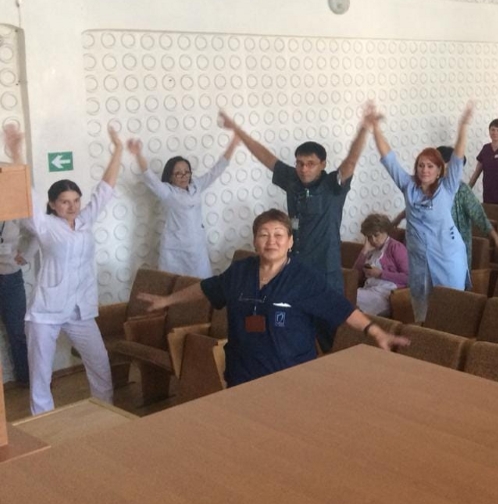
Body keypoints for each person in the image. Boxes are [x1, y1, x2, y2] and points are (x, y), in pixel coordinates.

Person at [138, 209, 408, 387]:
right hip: (242, 374)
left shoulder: (303, 277)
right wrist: (166, 301)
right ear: (255, 241)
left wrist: (376, 332)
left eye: (279, 235)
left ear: (290, 242)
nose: (271, 241)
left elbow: (341, 309)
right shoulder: (240, 271)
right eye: (264, 235)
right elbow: (207, 288)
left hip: (291, 375)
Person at [23, 125, 123, 414]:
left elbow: (105, 188)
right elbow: (26, 194)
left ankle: (106, 412)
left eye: (76, 200)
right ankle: (43, 423)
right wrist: (17, 153)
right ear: (53, 205)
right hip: (46, 311)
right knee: (41, 374)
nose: (72, 206)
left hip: (80, 309)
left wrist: (118, 149)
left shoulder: (85, 221)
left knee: (100, 363)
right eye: (65, 202)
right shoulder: (45, 225)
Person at [218, 108, 367, 296]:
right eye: (299, 163)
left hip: (324, 271)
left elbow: (351, 162)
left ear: (323, 164)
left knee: (326, 313)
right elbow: (265, 156)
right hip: (295, 266)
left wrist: (364, 128)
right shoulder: (292, 179)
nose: (304, 169)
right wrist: (238, 131)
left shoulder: (332, 186)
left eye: (310, 164)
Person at [370, 102, 473, 322]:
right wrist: (375, 128)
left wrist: (463, 126)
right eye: (421, 165)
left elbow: (457, 158)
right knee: (422, 311)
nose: (425, 170)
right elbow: (389, 160)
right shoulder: (408, 186)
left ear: (439, 170)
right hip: (419, 259)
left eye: (430, 166)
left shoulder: (447, 187)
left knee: (450, 309)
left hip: (447, 256)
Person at [131, 134, 242, 277]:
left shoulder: (197, 185)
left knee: (200, 283)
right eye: (178, 173)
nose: (184, 176)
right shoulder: (167, 192)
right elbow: (150, 178)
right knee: (171, 283)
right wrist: (138, 154)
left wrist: (232, 145)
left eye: (186, 172)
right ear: (170, 177)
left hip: (197, 248)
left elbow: (215, 171)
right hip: (174, 249)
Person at [0, 126, 38, 385]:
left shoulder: (14, 206)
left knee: (17, 331)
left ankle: (28, 380)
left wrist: (26, 255)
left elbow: (37, 232)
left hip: (10, 277)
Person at [353, 213, 408, 317]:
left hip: (387, 294)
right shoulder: (371, 249)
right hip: (370, 289)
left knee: (349, 299)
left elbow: (408, 278)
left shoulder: (396, 247)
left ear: (385, 231)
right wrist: (364, 251)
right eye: (369, 237)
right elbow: (354, 275)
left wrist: (380, 274)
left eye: (376, 235)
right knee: (346, 294)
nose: (373, 240)